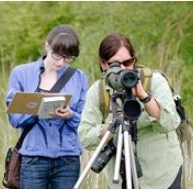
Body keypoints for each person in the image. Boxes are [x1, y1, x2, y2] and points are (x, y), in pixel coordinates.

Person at [78, 33, 183, 189]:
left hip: (162, 173)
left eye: (127, 62)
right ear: (103, 64)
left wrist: (144, 96)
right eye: (115, 64)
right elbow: (85, 136)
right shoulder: (98, 92)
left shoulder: (153, 81)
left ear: (134, 60)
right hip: (121, 178)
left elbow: (169, 123)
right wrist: (112, 128)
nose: (122, 69)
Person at [5, 25, 88, 189]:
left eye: (68, 58)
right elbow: (14, 119)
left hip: (67, 158)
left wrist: (70, 115)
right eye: (57, 56)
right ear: (47, 46)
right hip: (33, 156)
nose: (61, 62)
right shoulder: (21, 73)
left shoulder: (79, 77)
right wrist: (37, 109)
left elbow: (86, 121)